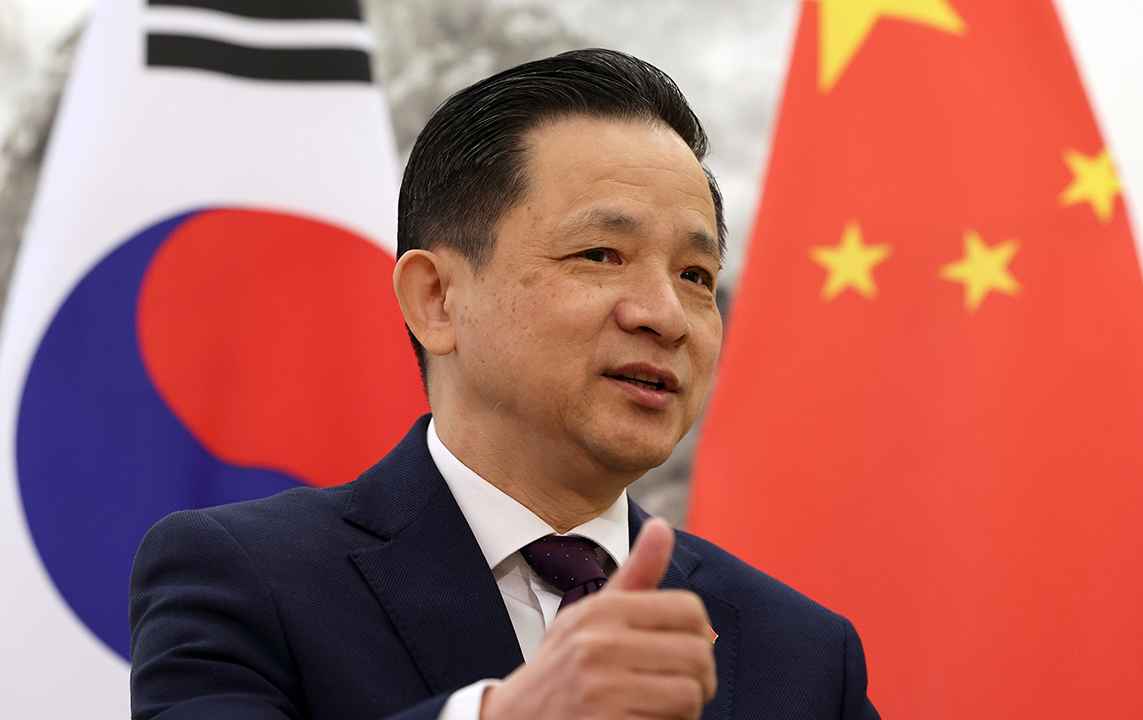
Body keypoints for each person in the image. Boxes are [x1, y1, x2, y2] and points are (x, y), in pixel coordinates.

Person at [129, 48, 880, 720]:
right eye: (600, 254)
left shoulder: (804, 652)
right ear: (436, 299)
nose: (665, 316)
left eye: (696, 275)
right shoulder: (243, 577)